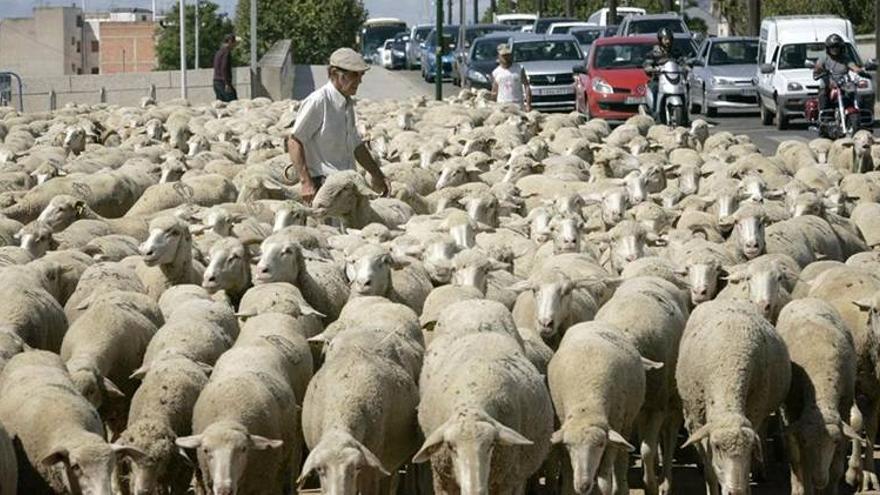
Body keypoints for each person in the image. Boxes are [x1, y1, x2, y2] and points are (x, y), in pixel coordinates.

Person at [285, 47, 390, 205]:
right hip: (324, 187)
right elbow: (294, 141)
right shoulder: (319, 101)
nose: (359, 80)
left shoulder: (347, 104)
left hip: (347, 186)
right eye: (354, 75)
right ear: (335, 74)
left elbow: (356, 146)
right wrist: (305, 182)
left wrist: (378, 175)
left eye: (361, 75)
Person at [814, 33, 864, 113]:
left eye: (837, 46)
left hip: (843, 84)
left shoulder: (845, 58)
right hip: (828, 84)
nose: (835, 49)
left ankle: (856, 112)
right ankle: (823, 116)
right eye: (832, 47)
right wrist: (818, 70)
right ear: (828, 48)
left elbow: (852, 65)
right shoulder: (824, 58)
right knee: (823, 94)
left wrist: (859, 70)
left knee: (855, 93)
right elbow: (818, 67)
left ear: (841, 47)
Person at [643, 27, 680, 117]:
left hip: (674, 79)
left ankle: (684, 113)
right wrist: (651, 68)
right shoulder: (654, 53)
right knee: (655, 88)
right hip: (658, 79)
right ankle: (656, 112)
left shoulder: (675, 52)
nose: (668, 42)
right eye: (665, 39)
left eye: (669, 39)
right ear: (660, 40)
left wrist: (687, 66)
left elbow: (683, 60)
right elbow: (647, 64)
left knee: (684, 88)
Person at [491, 44, 531, 111]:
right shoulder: (496, 72)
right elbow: (494, 91)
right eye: (503, 56)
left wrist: (528, 104)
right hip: (502, 106)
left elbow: (526, 85)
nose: (506, 58)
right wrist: (492, 105)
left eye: (508, 55)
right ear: (499, 57)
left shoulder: (519, 68)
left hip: (518, 105)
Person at [213, 34, 238, 102]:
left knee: (222, 106)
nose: (235, 44)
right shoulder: (226, 52)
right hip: (223, 83)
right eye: (234, 42)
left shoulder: (219, 52)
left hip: (216, 82)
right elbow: (224, 68)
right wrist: (227, 83)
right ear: (230, 41)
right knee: (233, 104)